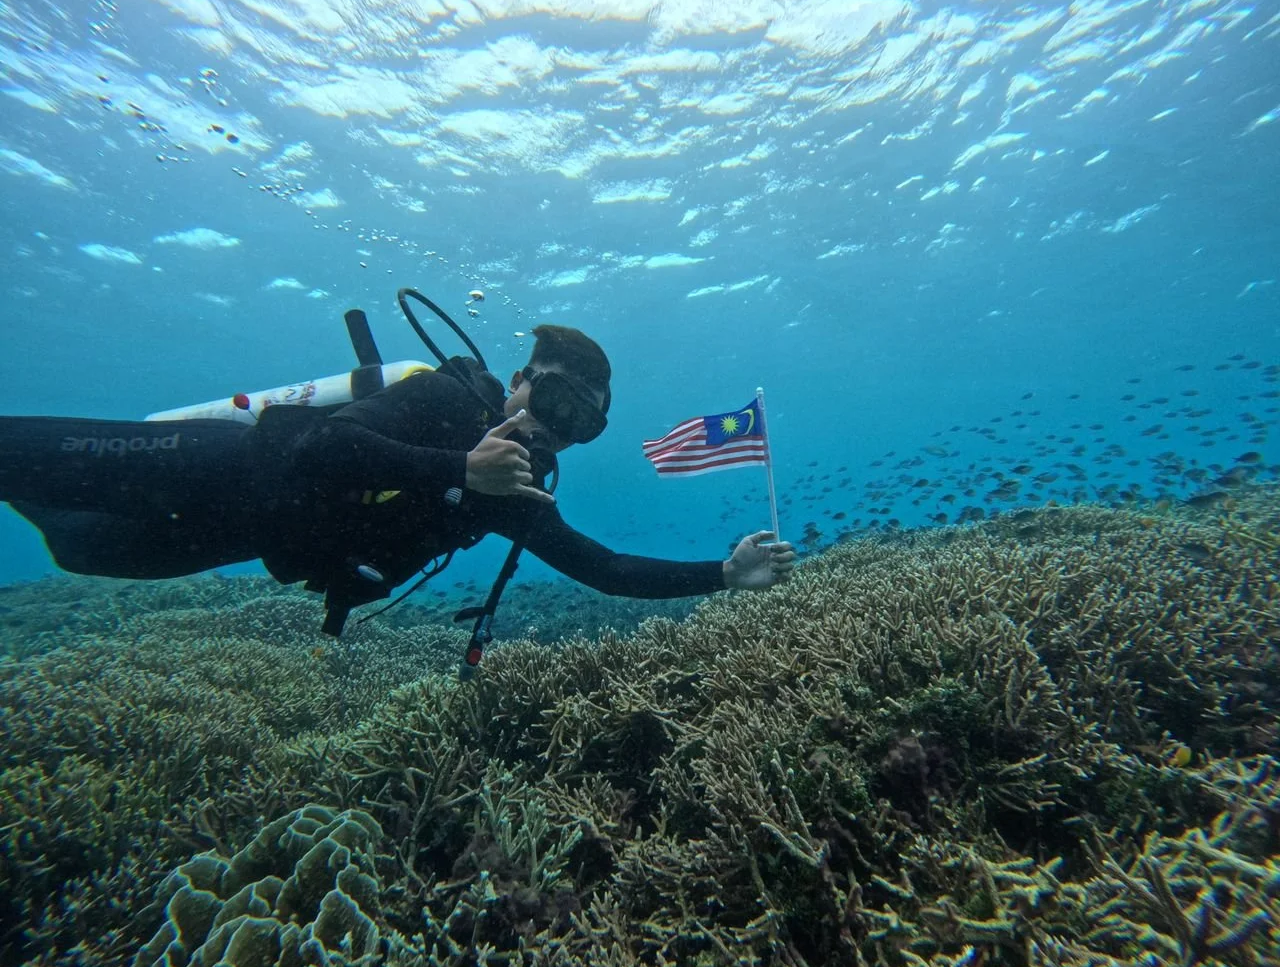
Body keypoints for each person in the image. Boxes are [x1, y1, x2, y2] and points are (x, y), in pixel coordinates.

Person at [0, 323, 796, 636]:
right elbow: (323, 448)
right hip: (216, 464)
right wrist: (459, 468)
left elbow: (605, 567)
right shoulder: (447, 399)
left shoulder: (518, 487)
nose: (557, 427)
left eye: (581, 424)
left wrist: (724, 574)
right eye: (553, 400)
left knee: (75, 547)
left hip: (237, 536)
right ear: (520, 381)